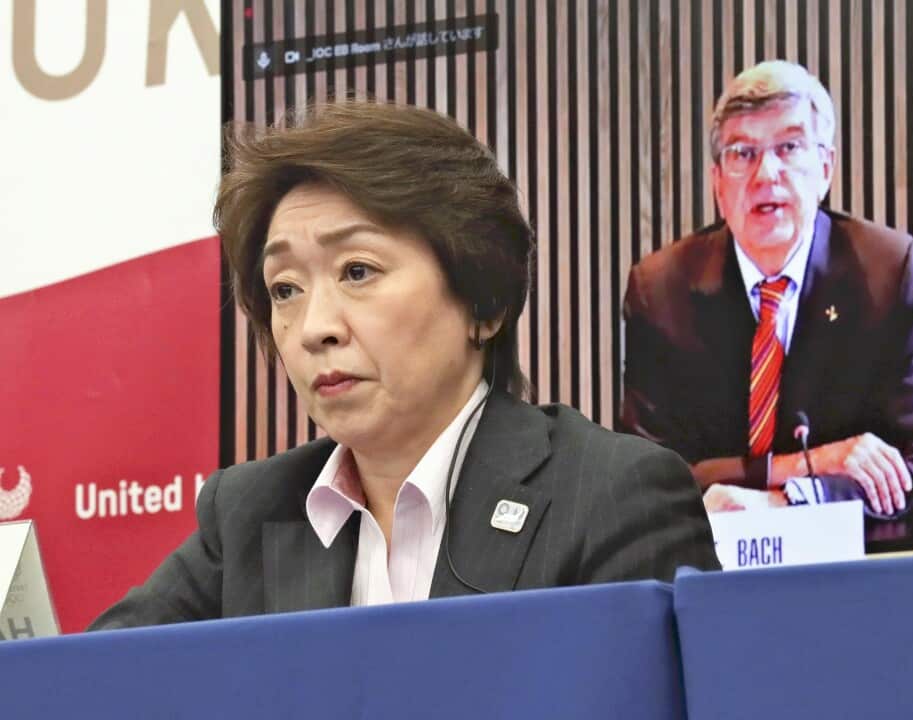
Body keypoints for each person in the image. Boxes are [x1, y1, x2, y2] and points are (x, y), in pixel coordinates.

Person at [91, 101, 718, 629]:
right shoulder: (249, 513)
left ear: (484, 302)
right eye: (285, 289)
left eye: (357, 272)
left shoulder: (614, 495)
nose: (314, 329)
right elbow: (85, 687)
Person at [620, 61, 913, 517]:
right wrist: (812, 464)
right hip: (711, 565)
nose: (765, 174)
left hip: (846, 566)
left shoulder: (886, 272)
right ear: (717, 183)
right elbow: (645, 477)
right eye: (742, 153)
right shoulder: (660, 291)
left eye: (789, 146)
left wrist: (786, 501)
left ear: (825, 167)